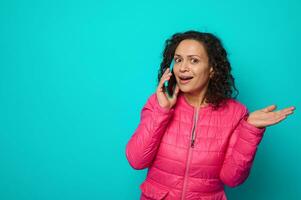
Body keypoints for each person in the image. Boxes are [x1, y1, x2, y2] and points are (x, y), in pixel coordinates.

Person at [125, 30, 295, 200]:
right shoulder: (158, 102)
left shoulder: (235, 113)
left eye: (194, 60)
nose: (183, 68)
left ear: (212, 69)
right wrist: (162, 112)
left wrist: (250, 130)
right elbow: (136, 160)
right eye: (178, 60)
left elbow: (232, 179)